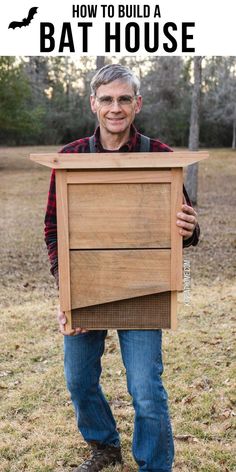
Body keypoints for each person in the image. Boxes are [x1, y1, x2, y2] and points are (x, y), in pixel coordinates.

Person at [44, 64, 200, 472]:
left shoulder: (160, 156)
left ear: (138, 104)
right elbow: (53, 229)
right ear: (93, 103)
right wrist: (68, 292)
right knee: (79, 381)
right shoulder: (72, 157)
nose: (116, 107)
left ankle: (154, 465)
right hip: (86, 284)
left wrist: (190, 228)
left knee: (146, 390)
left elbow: (183, 226)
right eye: (107, 99)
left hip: (144, 288)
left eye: (124, 99)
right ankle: (104, 445)